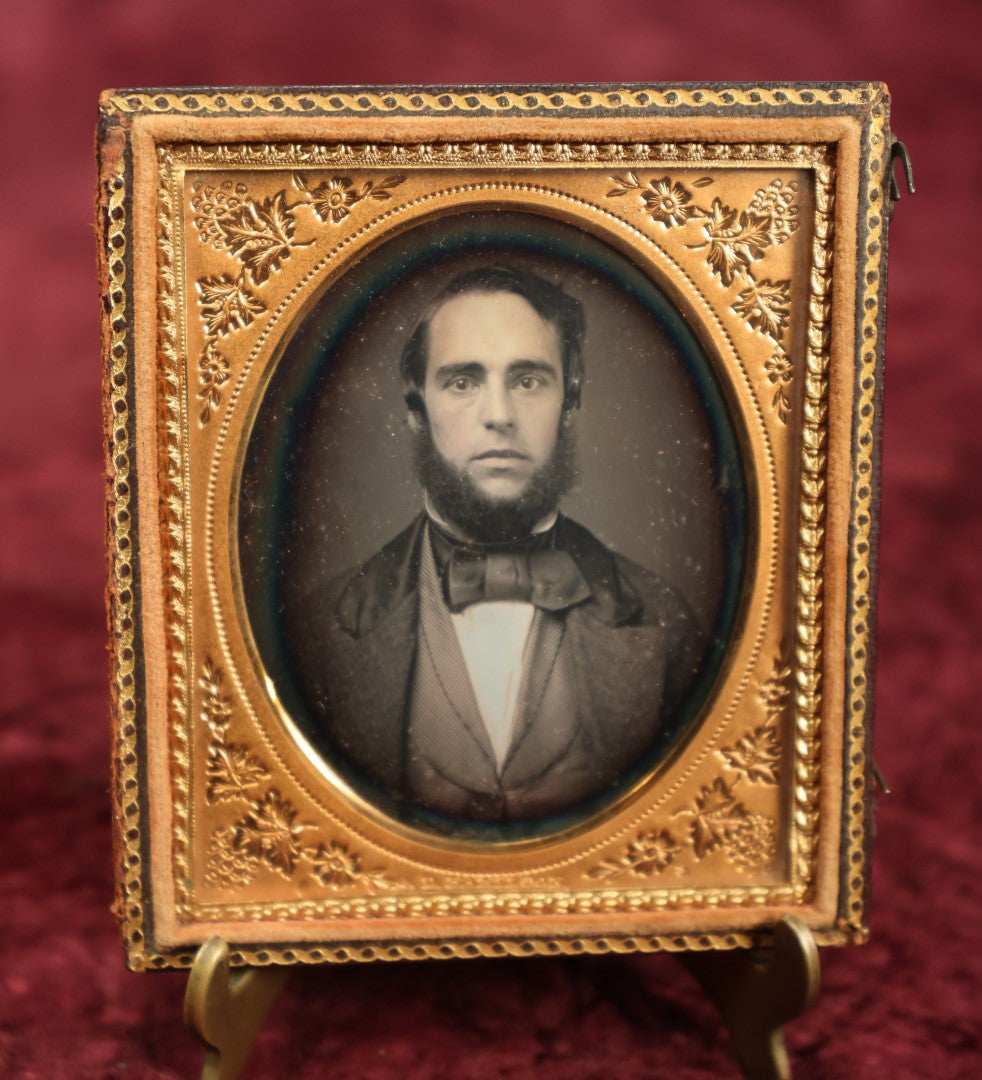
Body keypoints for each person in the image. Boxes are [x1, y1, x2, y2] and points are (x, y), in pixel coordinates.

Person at [287, 265, 706, 828]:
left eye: (528, 380)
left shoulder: (664, 623)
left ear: (570, 402)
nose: (500, 416)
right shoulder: (321, 635)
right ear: (417, 413)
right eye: (463, 381)